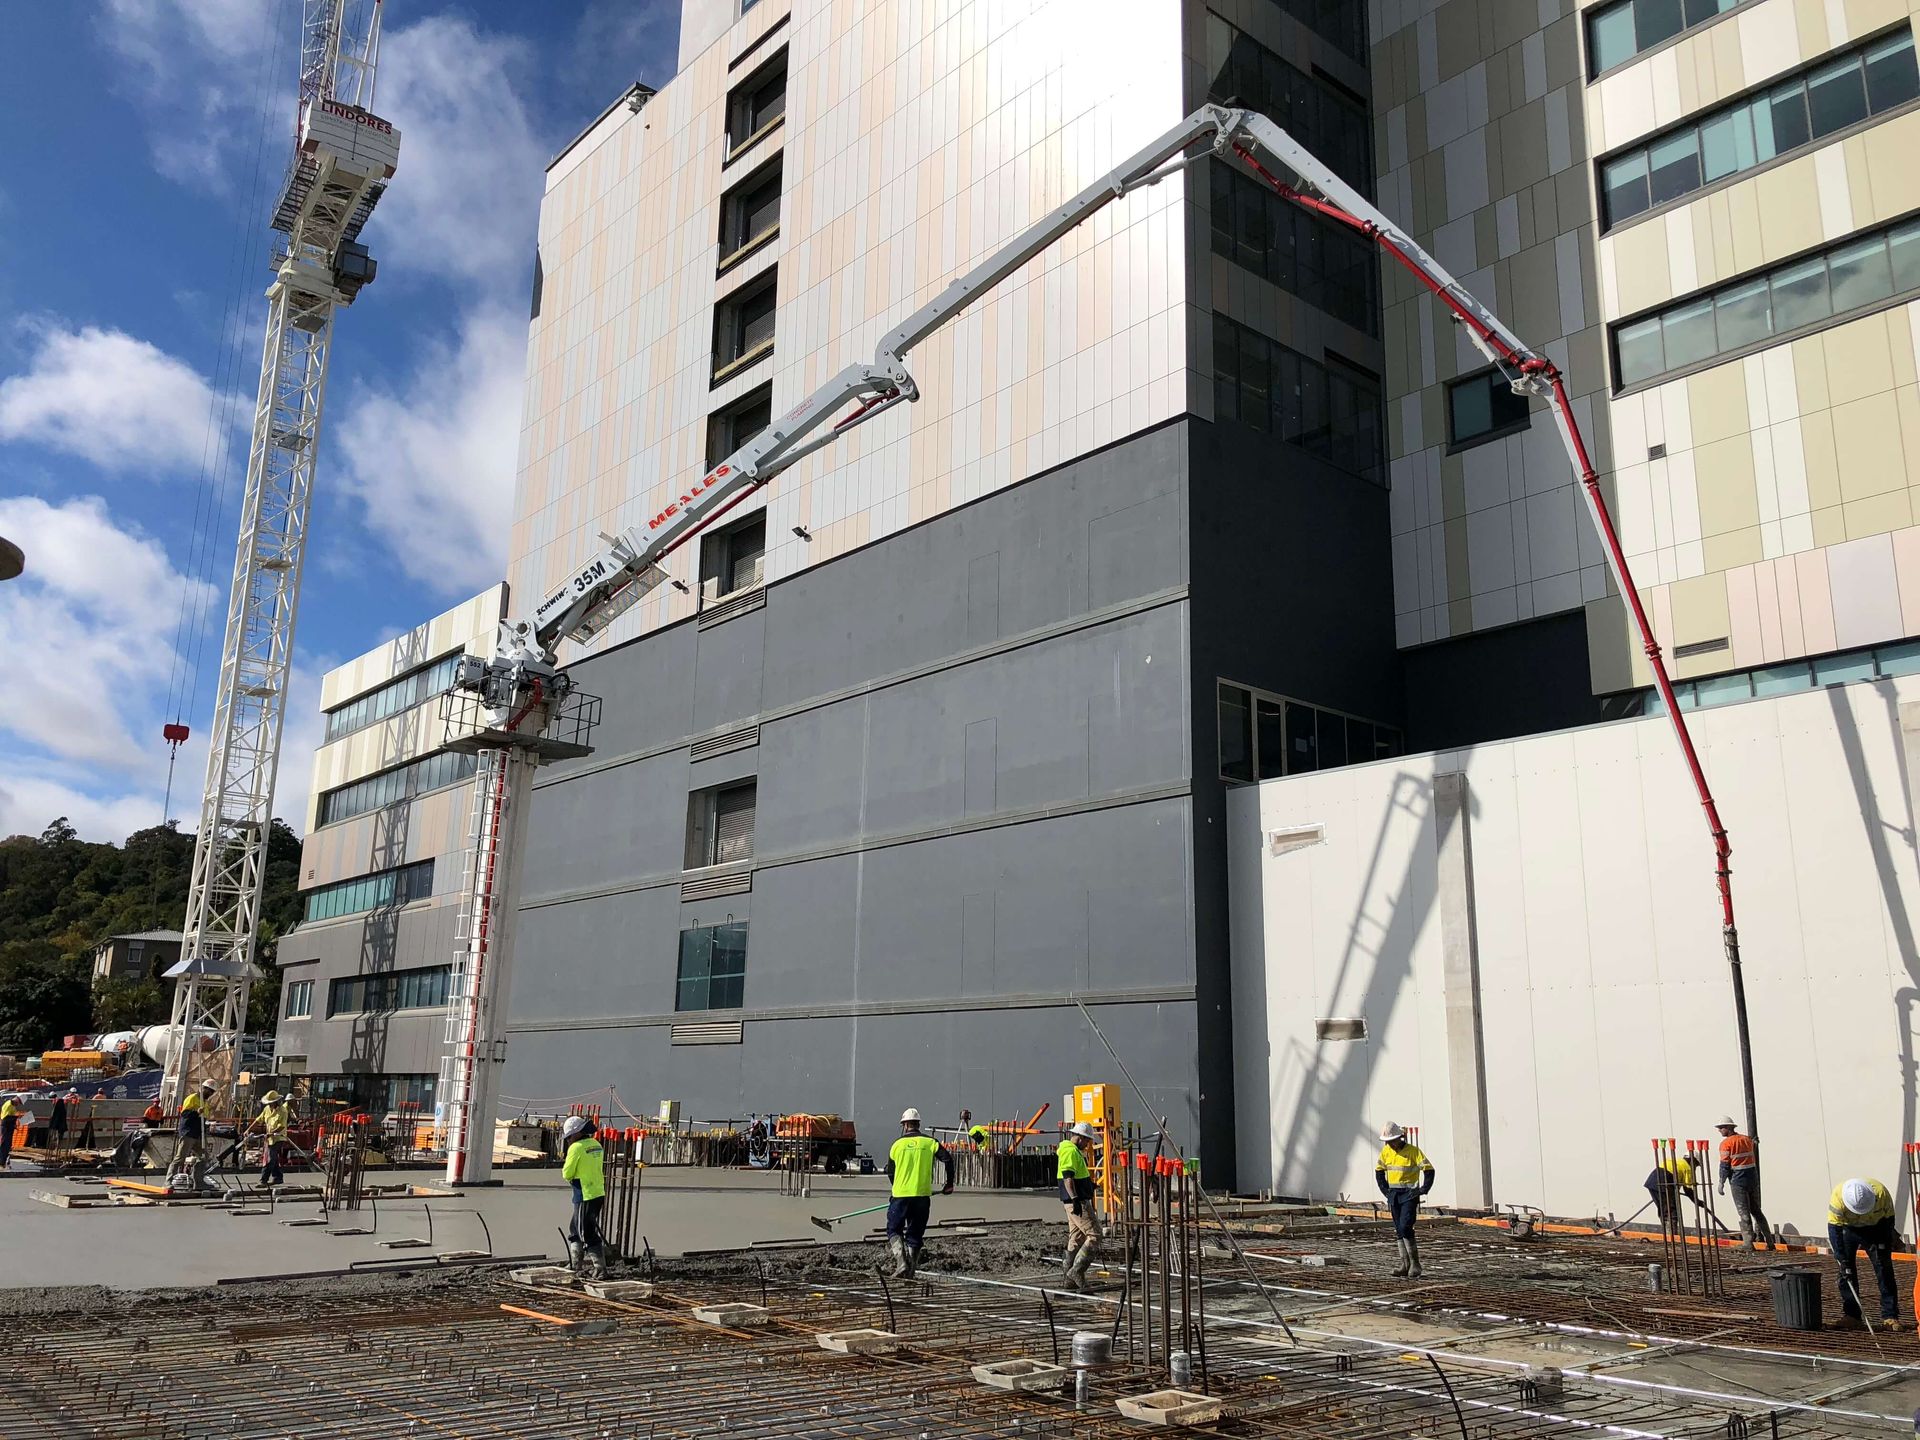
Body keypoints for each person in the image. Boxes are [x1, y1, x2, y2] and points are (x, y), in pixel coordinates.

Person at [882, 1108, 954, 1278]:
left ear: (904, 1125)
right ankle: (911, 1271)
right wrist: (949, 1184)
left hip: (900, 1196)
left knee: (894, 1229)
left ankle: (901, 1263)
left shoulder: (896, 1145)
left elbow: (890, 1172)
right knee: (915, 1234)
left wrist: (897, 1186)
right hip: (922, 1196)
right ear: (918, 1124)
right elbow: (948, 1159)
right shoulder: (930, 1142)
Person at [1829, 1176, 1901, 1329]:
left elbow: (1889, 1221)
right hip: (1848, 1229)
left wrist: (1884, 1243)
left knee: (1884, 1269)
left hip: (1877, 1229)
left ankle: (1890, 1316)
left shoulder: (1881, 1193)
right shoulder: (1838, 1197)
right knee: (1846, 1272)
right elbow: (1834, 1230)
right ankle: (1852, 1315)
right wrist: (1841, 1258)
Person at [1374, 1123, 1436, 1277]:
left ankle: (1415, 1264)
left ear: (1399, 1138)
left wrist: (1423, 1189)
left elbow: (1429, 1170)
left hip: (1409, 1195)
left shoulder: (1413, 1151)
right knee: (1398, 1229)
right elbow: (1379, 1172)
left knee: (1405, 1226)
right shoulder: (1386, 1152)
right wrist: (1385, 1191)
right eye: (1387, 1142)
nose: (1389, 1144)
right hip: (1394, 1195)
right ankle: (1405, 1264)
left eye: (1391, 1141)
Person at [1714, 1115, 1770, 1250]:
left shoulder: (1726, 1144)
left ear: (1728, 1128)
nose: (1719, 1130)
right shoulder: (1746, 1139)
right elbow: (1753, 1146)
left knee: (1743, 1212)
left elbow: (1724, 1165)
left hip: (1738, 1181)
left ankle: (1748, 1243)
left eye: (1721, 1128)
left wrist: (1721, 1182)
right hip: (1752, 1179)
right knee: (1757, 1211)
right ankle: (1770, 1241)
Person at [1057, 1121, 1101, 1291]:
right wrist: (1075, 1198)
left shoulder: (1072, 1151)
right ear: (1080, 1137)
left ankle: (1068, 1280)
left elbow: (1076, 1176)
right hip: (1077, 1202)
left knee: (1076, 1238)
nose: (1088, 1144)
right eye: (1087, 1140)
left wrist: (1089, 1186)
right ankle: (1076, 1272)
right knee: (1095, 1235)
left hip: (1073, 1201)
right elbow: (1067, 1177)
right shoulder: (1070, 1151)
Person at [561, 1114, 607, 1273]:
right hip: (598, 1192)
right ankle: (575, 1263)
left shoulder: (576, 1148)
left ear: (577, 1133)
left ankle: (600, 1268)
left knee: (586, 1232)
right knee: (575, 1227)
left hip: (584, 1194)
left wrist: (570, 1176)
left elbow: (567, 1173)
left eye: (569, 1137)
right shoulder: (596, 1144)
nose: (568, 1140)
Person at [167, 1081, 216, 1190]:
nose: (210, 1093)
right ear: (203, 1088)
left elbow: (203, 1120)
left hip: (199, 1135)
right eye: (209, 1090)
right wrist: (196, 1112)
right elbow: (185, 1115)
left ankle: (198, 1182)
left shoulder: (205, 1103)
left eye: (212, 1092)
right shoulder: (192, 1098)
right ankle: (168, 1181)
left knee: (204, 1157)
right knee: (180, 1158)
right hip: (188, 1133)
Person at [1645, 1149, 1695, 1230]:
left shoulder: (1675, 1161)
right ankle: (1671, 1234)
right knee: (1671, 1212)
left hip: (1652, 1181)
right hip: (1664, 1183)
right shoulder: (1687, 1168)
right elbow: (1688, 1189)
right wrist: (1697, 1201)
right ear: (1693, 1160)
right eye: (1696, 1165)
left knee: (1664, 1210)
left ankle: (1667, 1232)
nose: (1695, 1168)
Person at [255, 1090, 291, 1187]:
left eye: (271, 1103)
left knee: (270, 1158)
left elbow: (281, 1126)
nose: (270, 1105)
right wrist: (248, 1129)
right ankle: (278, 1177)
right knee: (273, 1157)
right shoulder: (267, 1109)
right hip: (269, 1138)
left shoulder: (283, 1111)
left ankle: (263, 1180)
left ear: (276, 1102)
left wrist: (271, 1133)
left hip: (278, 1137)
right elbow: (258, 1120)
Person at [48, 1091, 71, 1158]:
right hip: (59, 1124)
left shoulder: (58, 1103)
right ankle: (56, 1148)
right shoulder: (60, 1102)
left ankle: (56, 1149)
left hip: (58, 1124)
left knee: (56, 1136)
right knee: (57, 1136)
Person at [0, 1096, 18, 1169]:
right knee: (4, 1144)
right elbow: (6, 1118)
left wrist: (14, 1124)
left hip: (9, 1128)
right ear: (16, 1100)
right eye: (18, 1103)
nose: (18, 1105)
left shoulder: (12, 1106)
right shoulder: (9, 1105)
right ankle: (1, 1161)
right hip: (6, 1128)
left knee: (8, 1145)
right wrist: (15, 1118)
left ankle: (3, 1161)